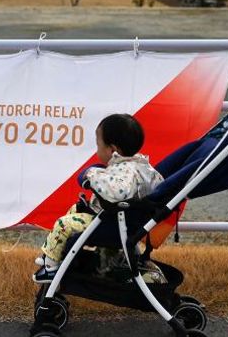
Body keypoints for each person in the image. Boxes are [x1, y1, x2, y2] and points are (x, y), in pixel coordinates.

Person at [32, 114, 163, 283]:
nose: (97, 150)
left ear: (113, 150)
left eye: (98, 145)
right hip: (124, 222)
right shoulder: (141, 166)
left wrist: (91, 175)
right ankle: (53, 252)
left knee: (63, 224)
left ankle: (50, 267)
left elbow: (117, 192)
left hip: (111, 224)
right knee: (74, 210)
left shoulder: (126, 172)